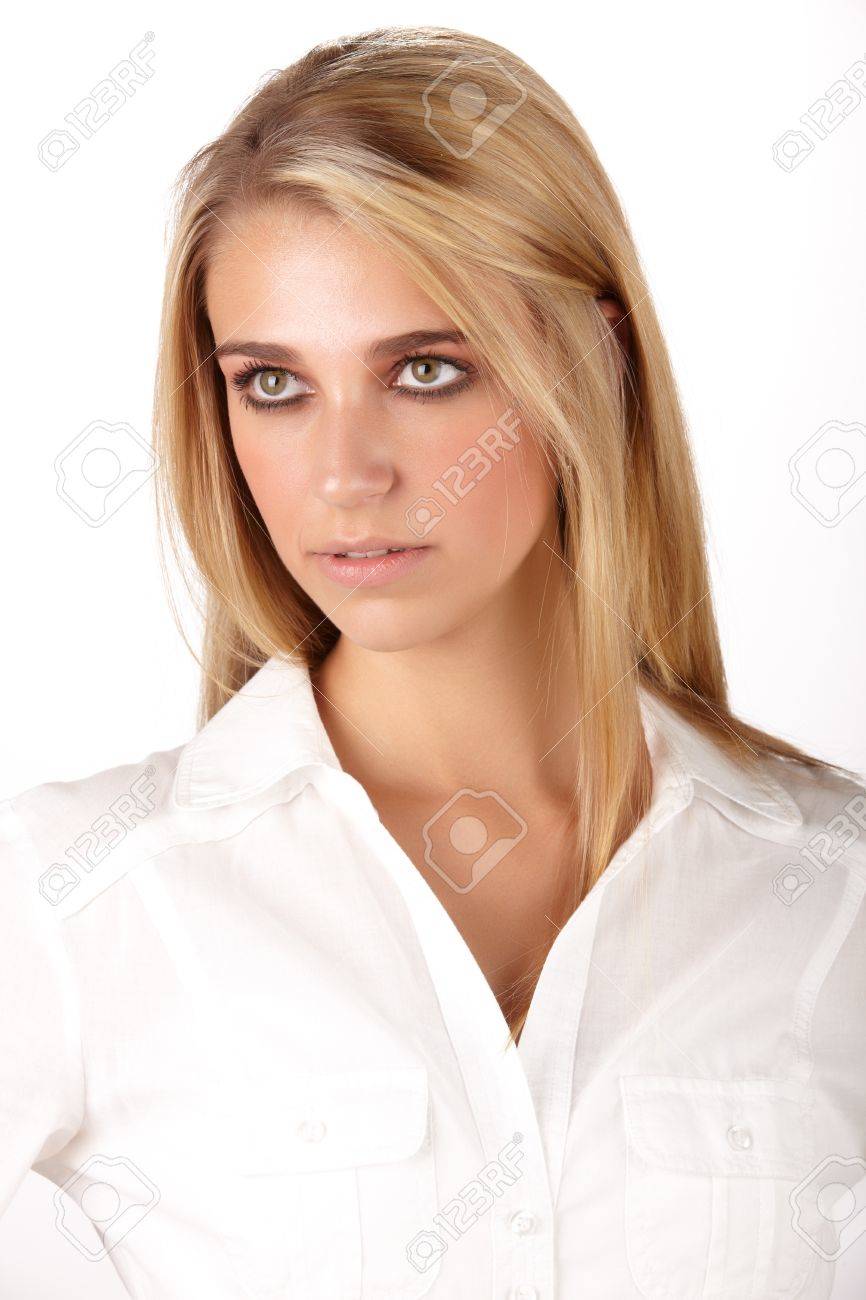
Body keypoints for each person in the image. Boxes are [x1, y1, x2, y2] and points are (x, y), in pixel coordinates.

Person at [2, 25, 864, 1300]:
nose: (346, 474)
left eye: (425, 369)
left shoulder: (826, 896)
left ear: (597, 364)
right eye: (273, 385)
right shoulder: (75, 900)